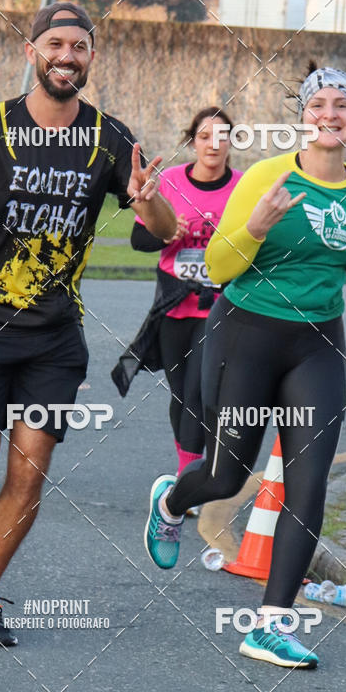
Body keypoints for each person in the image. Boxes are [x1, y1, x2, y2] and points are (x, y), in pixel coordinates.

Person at [0, 2, 176, 647]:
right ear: (32, 52)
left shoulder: (110, 139)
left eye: (79, 46)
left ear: (91, 58)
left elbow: (164, 231)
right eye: (55, 44)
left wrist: (152, 205)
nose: (66, 56)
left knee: (29, 473)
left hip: (55, 339)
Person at [144, 64, 346, 669]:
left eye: (341, 105)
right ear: (302, 118)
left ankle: (271, 624)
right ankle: (171, 503)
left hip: (318, 341)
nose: (329, 113)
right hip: (246, 333)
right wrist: (257, 226)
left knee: (308, 480)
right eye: (318, 103)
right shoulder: (269, 175)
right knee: (225, 475)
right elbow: (217, 266)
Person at [125, 109, 242, 502]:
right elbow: (138, 241)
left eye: (222, 135)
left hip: (222, 309)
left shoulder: (244, 187)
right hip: (175, 308)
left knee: (200, 392)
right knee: (181, 395)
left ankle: (189, 481)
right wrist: (166, 233)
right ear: (193, 141)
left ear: (231, 142)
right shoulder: (169, 182)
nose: (213, 143)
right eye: (205, 135)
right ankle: (196, 466)